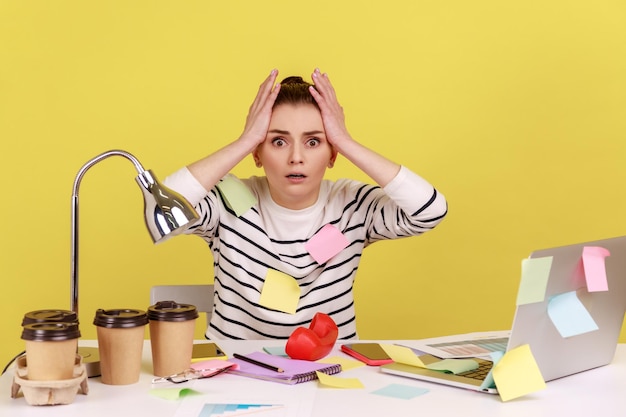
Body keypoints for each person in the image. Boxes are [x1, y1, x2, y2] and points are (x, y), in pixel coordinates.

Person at [164, 68, 448, 340]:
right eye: (278, 142)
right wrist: (246, 139)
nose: (296, 157)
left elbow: (430, 210)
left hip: (330, 368)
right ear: (257, 154)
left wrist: (345, 141)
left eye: (313, 142)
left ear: (332, 154)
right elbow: (163, 211)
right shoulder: (230, 200)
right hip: (237, 372)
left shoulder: (350, 205)